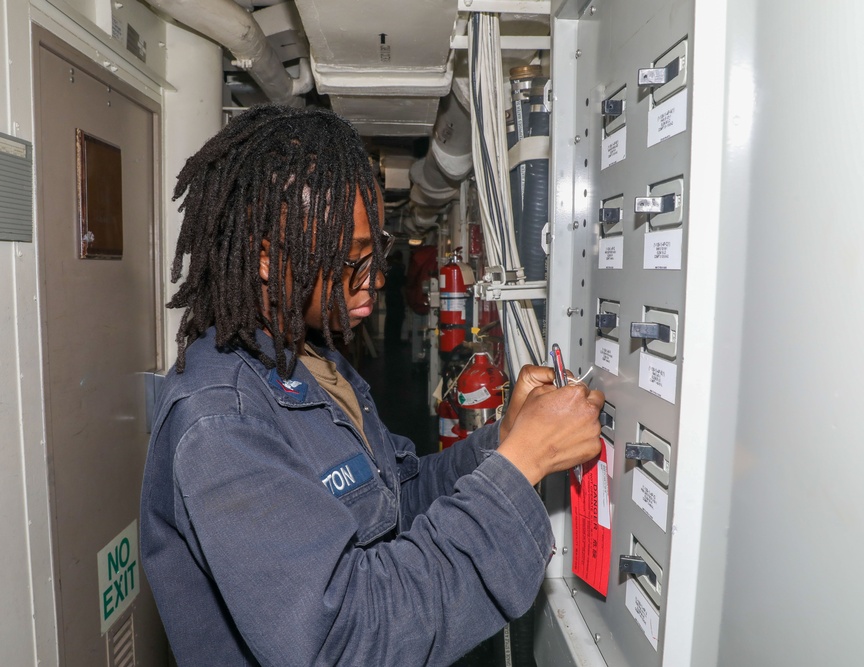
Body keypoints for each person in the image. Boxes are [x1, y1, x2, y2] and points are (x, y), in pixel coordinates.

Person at [139, 105, 604, 667]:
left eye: (375, 255)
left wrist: (502, 441)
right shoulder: (223, 425)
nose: (376, 281)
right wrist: (520, 466)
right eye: (351, 262)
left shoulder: (314, 362)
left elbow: (397, 498)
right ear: (265, 257)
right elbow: (345, 638)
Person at [381, 250, 406, 347]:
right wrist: (405, 299)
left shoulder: (389, 268)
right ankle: (396, 341)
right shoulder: (399, 268)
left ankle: (388, 340)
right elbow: (402, 285)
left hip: (389, 295)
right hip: (397, 296)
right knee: (397, 320)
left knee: (389, 319)